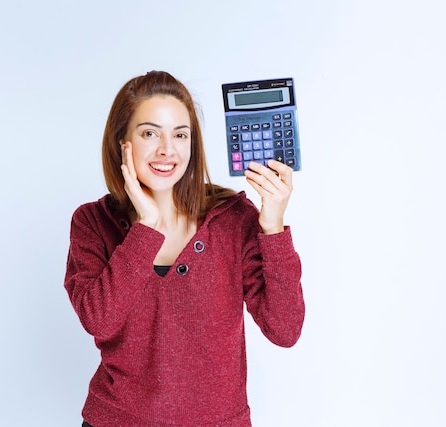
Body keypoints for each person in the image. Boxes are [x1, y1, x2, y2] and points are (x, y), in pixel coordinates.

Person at [64, 70, 305, 427]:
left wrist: (272, 227)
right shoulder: (92, 222)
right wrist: (146, 226)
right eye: (150, 133)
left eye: (180, 134)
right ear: (122, 143)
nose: (167, 149)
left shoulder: (234, 219)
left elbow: (285, 330)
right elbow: (100, 320)